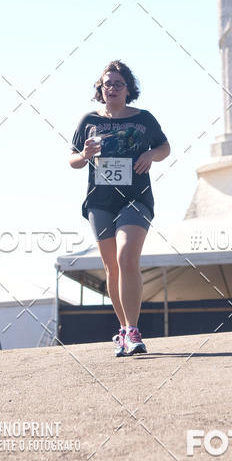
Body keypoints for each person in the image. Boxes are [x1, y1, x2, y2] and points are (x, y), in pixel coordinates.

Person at [69, 61, 170, 356]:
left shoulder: (144, 119)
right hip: (99, 201)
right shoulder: (89, 120)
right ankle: (124, 329)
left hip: (135, 197)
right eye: (106, 84)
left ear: (128, 89)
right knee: (112, 265)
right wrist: (84, 155)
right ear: (100, 89)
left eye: (117, 84)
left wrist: (151, 154)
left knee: (127, 257)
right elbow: (72, 159)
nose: (111, 88)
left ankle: (134, 329)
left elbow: (165, 148)